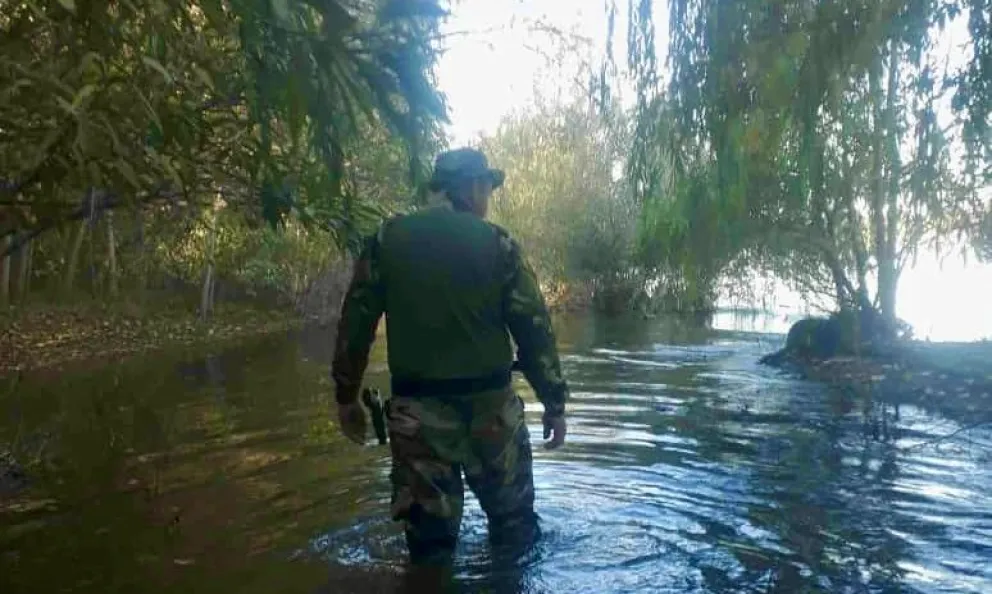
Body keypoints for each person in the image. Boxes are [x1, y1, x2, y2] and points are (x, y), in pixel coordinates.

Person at [330, 147, 570, 567]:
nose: (489, 197)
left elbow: (355, 324)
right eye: (488, 187)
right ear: (473, 187)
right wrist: (554, 402)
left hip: (418, 422)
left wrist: (346, 396)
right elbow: (534, 330)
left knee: (429, 551)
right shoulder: (499, 245)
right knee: (515, 537)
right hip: (493, 416)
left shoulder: (388, 241)